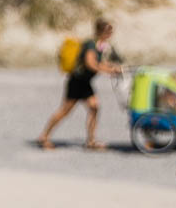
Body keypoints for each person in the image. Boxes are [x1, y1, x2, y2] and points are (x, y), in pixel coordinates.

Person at [38, 17, 123, 150]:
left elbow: (99, 62)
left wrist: (112, 67)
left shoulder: (100, 46)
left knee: (94, 107)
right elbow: (91, 64)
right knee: (65, 111)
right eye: (108, 31)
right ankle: (44, 136)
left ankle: (91, 141)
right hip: (76, 82)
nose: (110, 34)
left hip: (85, 83)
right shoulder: (90, 44)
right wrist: (108, 71)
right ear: (100, 31)